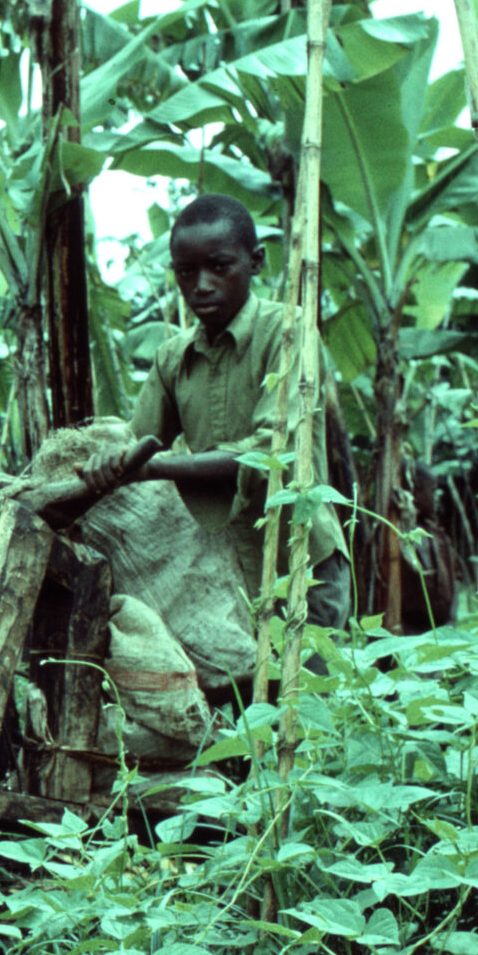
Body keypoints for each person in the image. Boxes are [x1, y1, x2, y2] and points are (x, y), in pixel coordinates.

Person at [84, 193, 350, 633]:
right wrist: (106, 462)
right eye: (186, 272)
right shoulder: (173, 357)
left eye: (219, 266)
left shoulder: (288, 332)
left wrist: (152, 469)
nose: (201, 285)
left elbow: (272, 450)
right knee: (242, 698)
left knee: (304, 694)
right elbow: (136, 442)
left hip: (301, 558)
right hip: (222, 573)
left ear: (256, 262)